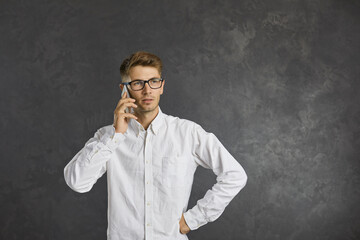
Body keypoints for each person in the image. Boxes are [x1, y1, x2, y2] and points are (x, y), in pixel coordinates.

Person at [64, 51, 248, 240]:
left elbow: (235, 175)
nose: (147, 90)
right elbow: (77, 182)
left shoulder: (188, 133)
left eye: (154, 81)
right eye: (137, 83)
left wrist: (194, 219)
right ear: (123, 89)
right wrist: (116, 135)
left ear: (162, 86)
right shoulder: (107, 137)